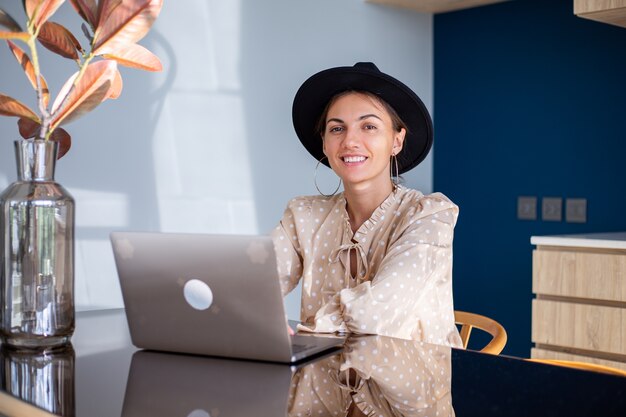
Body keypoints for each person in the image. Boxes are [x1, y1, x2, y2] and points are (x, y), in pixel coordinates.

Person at [272, 62, 461, 347]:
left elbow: (378, 314)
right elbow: (257, 287)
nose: (350, 141)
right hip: (321, 382)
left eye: (369, 126)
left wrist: (306, 333)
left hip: (410, 385)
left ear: (396, 141)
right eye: (337, 129)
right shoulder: (303, 215)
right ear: (324, 143)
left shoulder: (430, 216)